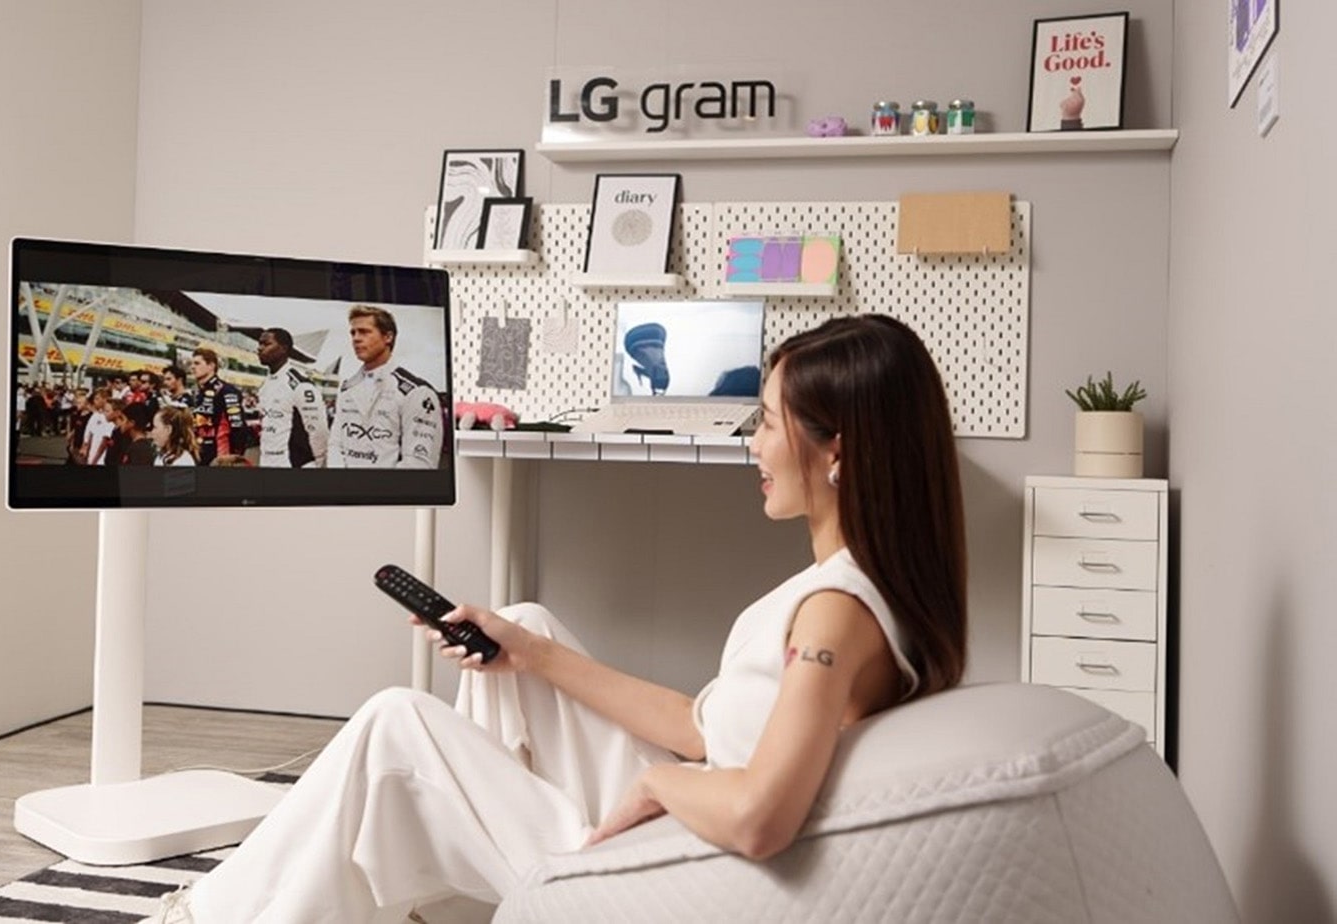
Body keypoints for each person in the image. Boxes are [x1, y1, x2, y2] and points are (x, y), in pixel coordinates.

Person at [147, 314, 967, 924]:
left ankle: (207, 918)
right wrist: (530, 652)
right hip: (695, 813)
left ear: (837, 449)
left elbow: (758, 816)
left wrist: (655, 784)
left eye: (766, 420)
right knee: (524, 619)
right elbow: (703, 726)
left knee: (394, 722)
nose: (750, 441)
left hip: (685, 868)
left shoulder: (832, 618)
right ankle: (461, 893)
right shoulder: (859, 586)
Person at [326, 304, 442, 469]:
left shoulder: (417, 392)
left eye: (364, 332)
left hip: (388, 492)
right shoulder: (347, 388)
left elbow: (419, 463)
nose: (356, 338)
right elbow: (335, 443)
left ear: (388, 337)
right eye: (353, 332)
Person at [256, 327, 330, 468]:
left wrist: (320, 463)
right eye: (259, 343)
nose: (260, 348)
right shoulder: (266, 385)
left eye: (266, 344)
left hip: (293, 465)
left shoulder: (300, 385)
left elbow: (319, 431)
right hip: (266, 463)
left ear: (284, 348)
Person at [189, 346, 251, 465]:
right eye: (192, 363)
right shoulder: (198, 393)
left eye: (197, 363)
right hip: (200, 454)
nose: (192, 367)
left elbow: (238, 428)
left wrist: (232, 456)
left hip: (220, 456)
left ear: (211, 365)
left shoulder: (226, 390)